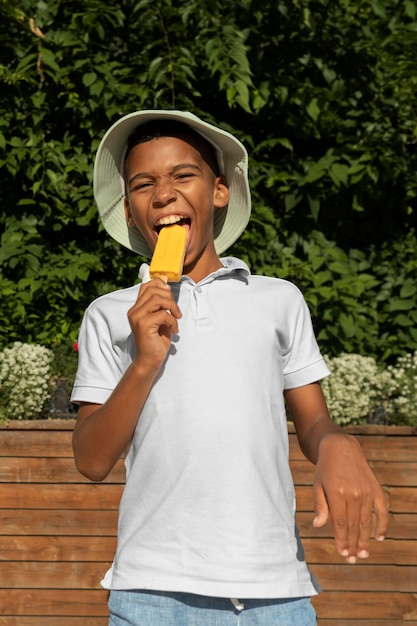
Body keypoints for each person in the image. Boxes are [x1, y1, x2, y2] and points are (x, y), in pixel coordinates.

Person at [71, 110, 388, 626]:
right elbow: (90, 459)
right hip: (153, 591)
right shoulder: (109, 314)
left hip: (275, 591)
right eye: (143, 184)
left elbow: (312, 420)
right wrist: (144, 362)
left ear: (219, 192)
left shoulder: (278, 300)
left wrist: (337, 442)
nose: (163, 193)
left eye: (182, 175)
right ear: (130, 211)